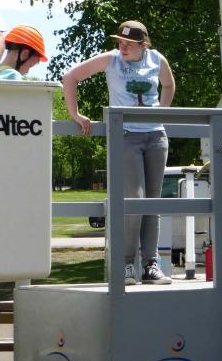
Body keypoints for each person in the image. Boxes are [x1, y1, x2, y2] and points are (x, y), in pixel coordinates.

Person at [62, 21, 175, 285]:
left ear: (142, 45)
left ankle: (150, 264)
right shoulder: (111, 60)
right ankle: (126, 264)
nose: (121, 47)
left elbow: (168, 86)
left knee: (153, 203)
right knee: (134, 201)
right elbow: (70, 77)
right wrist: (75, 114)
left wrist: (163, 112)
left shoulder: (157, 59)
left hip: (156, 137)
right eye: (119, 42)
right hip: (126, 137)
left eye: (128, 44)